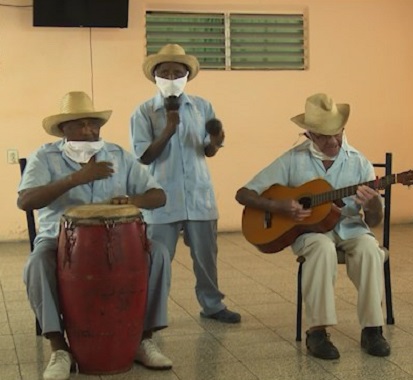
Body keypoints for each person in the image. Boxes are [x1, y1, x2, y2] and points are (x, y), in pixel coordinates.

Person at [18, 92, 173, 380]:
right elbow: (26, 202)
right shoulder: (45, 156)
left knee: (159, 253)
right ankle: (59, 348)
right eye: (81, 124)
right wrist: (77, 178)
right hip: (60, 238)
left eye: (94, 124)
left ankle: (143, 339)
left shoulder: (117, 155)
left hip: (120, 240)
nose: (90, 131)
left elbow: (159, 195)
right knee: (37, 264)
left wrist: (132, 201)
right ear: (63, 128)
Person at [235, 93, 390, 360]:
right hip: (308, 233)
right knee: (321, 249)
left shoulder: (358, 162)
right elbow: (243, 194)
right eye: (323, 136)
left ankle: (372, 330)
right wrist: (279, 207)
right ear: (308, 134)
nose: (332, 141)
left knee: (369, 249)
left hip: (352, 228)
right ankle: (317, 332)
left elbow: (374, 221)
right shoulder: (292, 159)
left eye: (337, 134)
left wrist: (374, 204)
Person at [130, 44, 240, 323]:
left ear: (187, 76)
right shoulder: (143, 112)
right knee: (157, 260)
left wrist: (214, 142)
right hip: (161, 198)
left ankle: (212, 305)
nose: (171, 77)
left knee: (206, 258)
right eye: (164, 72)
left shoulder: (202, 106)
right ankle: (151, 314)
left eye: (177, 72)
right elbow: (144, 156)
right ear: (155, 76)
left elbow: (207, 149)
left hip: (198, 196)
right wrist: (168, 129)